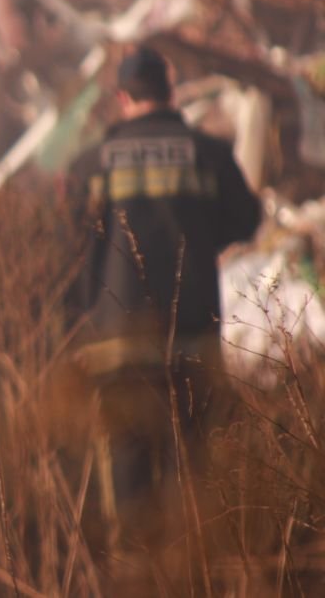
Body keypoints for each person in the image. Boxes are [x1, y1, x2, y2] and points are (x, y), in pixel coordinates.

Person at [63, 45, 262, 551]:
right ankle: (196, 575)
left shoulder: (90, 164)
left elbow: (68, 249)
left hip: (117, 349)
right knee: (195, 481)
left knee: (129, 485)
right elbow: (246, 220)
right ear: (170, 91)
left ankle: (137, 577)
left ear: (122, 96)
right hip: (192, 339)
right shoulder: (209, 153)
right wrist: (197, 237)